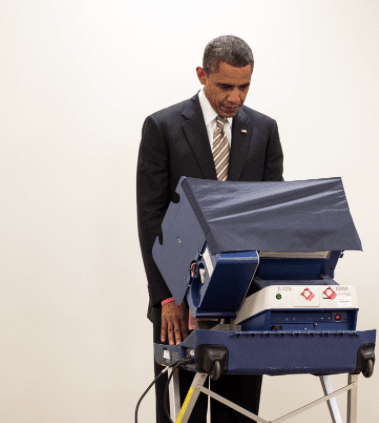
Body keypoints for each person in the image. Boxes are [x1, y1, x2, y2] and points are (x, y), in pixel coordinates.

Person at [137, 35, 283, 423]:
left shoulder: (265, 130)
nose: (235, 97)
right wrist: (167, 296)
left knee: (239, 412)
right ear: (202, 75)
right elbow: (151, 217)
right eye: (225, 86)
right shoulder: (162, 127)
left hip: (245, 301)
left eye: (244, 86)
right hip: (180, 301)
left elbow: (270, 219)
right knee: (184, 411)